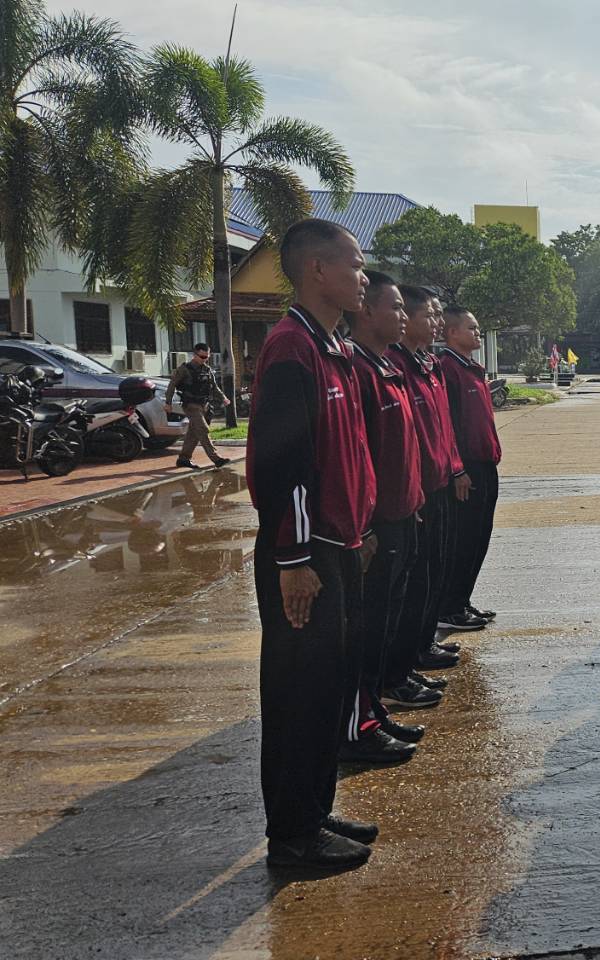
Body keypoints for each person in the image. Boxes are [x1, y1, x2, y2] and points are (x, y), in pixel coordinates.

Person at [245, 218, 377, 870]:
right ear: (317, 271)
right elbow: (284, 466)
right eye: (353, 264)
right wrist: (294, 559)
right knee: (298, 696)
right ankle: (292, 837)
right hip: (304, 553)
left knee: (327, 688)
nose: (362, 276)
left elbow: (348, 456)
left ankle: (314, 811)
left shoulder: (334, 349)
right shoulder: (291, 349)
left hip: (336, 545)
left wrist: (361, 530)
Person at [341, 270, 423, 765]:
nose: (404, 316)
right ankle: (359, 725)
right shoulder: (358, 369)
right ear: (367, 311)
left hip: (401, 514)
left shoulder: (386, 366)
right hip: (375, 526)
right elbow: (358, 455)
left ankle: (373, 710)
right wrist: (366, 524)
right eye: (395, 307)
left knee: (386, 621)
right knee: (368, 629)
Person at [385, 288, 469, 712]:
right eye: (430, 316)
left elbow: (442, 429)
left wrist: (453, 468)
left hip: (436, 485)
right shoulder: (395, 365)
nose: (436, 323)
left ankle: (416, 651)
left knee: (431, 575)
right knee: (409, 586)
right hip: (413, 495)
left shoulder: (426, 365)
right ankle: (396, 671)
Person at [438, 306, 502, 632]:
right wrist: (457, 469)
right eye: (472, 328)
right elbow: (446, 425)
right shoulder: (448, 369)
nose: (477, 333)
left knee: (479, 538)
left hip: (485, 464)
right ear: (452, 333)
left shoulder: (473, 369)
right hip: (466, 469)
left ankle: (463, 600)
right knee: (463, 540)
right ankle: (450, 606)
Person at [163, 342, 231, 470]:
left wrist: (223, 398)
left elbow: (214, 387)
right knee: (203, 429)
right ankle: (216, 459)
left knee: (193, 434)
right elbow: (172, 385)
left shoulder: (207, 370)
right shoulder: (184, 369)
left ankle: (183, 459)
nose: (205, 359)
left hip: (204, 404)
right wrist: (168, 403)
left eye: (207, 357)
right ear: (194, 355)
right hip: (191, 405)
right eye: (202, 357)